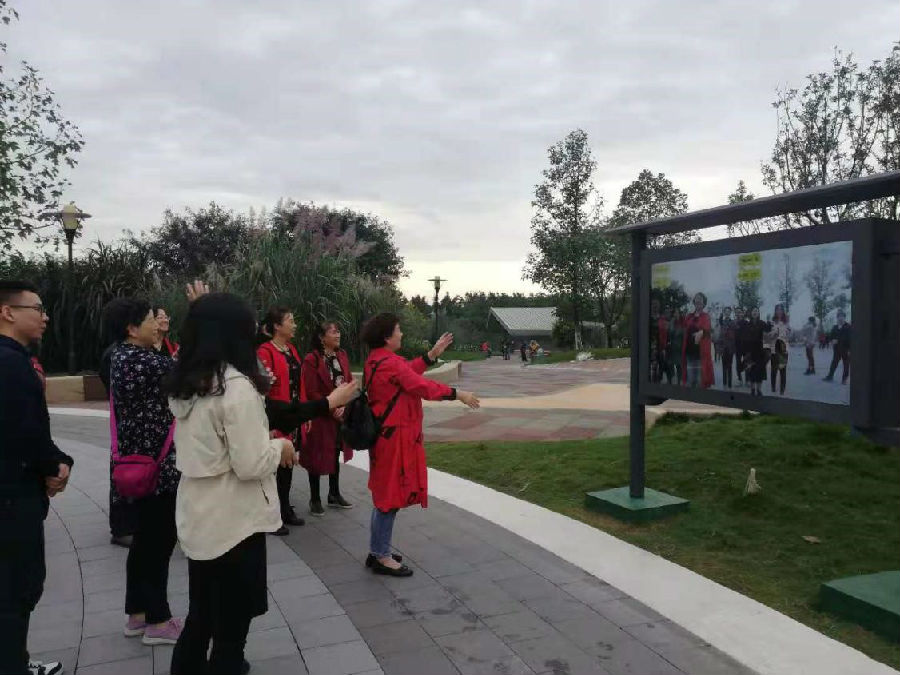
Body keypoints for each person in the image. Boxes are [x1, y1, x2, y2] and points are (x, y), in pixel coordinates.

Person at [166, 293, 356, 675]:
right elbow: (251, 464)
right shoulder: (235, 387)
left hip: (198, 511)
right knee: (232, 623)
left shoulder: (189, 382)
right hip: (234, 519)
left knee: (201, 614)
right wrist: (280, 446)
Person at [110, 292, 201, 646]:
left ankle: (137, 615)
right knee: (158, 545)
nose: (158, 324)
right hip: (157, 470)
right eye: (151, 319)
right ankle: (158, 621)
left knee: (144, 543)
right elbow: (187, 369)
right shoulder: (143, 360)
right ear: (132, 329)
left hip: (138, 465)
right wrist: (197, 314)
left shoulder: (122, 356)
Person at [361, 314, 480, 576]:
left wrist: (432, 355)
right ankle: (381, 556)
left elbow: (408, 372)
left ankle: (377, 549)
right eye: (398, 330)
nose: (401, 334)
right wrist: (457, 394)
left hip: (385, 437)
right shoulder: (390, 363)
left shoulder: (376, 360)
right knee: (389, 498)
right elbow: (420, 385)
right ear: (387, 337)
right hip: (394, 440)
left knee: (384, 494)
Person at [0, 280, 72, 675]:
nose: (45, 317)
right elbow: (23, 431)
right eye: (37, 308)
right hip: (13, 497)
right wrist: (54, 467)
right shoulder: (12, 364)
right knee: (17, 588)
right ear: (8, 312)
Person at [256, 307, 306, 534]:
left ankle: (285, 508)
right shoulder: (265, 351)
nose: (294, 325)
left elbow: (300, 382)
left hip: (292, 414)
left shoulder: (291, 350)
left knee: (287, 462)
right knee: (272, 465)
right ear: (277, 326)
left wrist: (303, 412)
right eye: (290, 320)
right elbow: (263, 388)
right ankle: (270, 515)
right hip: (275, 415)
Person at [301, 321, 355, 516]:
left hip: (339, 415)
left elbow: (348, 382)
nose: (337, 334)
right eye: (333, 332)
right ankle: (315, 498)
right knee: (316, 455)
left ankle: (334, 494)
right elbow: (311, 390)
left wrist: (345, 406)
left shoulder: (342, 356)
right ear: (321, 337)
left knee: (335, 452)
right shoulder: (312, 360)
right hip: (320, 415)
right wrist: (332, 408)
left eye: (338, 331)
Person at [681, 292, 714, 388]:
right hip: (690, 352)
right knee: (690, 380)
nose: (698, 300)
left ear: (704, 303)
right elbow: (684, 330)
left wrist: (702, 332)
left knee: (700, 381)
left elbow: (708, 331)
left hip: (701, 353)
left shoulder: (706, 316)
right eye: (696, 298)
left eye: (700, 299)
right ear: (694, 301)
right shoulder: (689, 316)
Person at [741, 307, 772, 396]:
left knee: (760, 370)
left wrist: (768, 321)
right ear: (751, 313)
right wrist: (745, 351)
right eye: (753, 311)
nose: (755, 312)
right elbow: (744, 337)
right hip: (750, 351)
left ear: (758, 313)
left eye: (756, 311)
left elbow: (768, 330)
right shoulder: (748, 324)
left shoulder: (762, 323)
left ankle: (759, 389)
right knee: (751, 370)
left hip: (760, 350)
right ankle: (752, 389)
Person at [765, 304, 791, 395]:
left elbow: (789, 335)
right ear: (775, 311)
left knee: (782, 369)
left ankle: (782, 389)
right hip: (774, 347)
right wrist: (773, 333)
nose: (779, 311)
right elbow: (767, 336)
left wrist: (787, 329)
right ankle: (773, 387)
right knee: (774, 369)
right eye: (777, 310)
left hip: (783, 347)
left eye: (781, 310)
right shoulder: (772, 322)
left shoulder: (786, 322)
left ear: (783, 311)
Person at [823, 310, 851, 384]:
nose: (840, 318)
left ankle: (844, 379)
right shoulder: (835, 327)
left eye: (842, 316)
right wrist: (832, 340)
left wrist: (850, 350)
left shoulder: (848, 327)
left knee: (846, 364)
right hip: (836, 349)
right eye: (839, 317)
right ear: (837, 318)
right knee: (834, 363)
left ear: (844, 318)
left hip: (846, 349)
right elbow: (831, 336)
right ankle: (830, 376)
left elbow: (850, 338)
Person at [718, 307, 736, 388]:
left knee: (730, 365)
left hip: (730, 347)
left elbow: (735, 334)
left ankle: (729, 383)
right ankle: (724, 382)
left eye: (729, 311)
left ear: (730, 313)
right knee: (724, 365)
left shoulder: (733, 322)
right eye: (726, 311)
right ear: (724, 313)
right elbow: (720, 335)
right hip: (723, 347)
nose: (727, 313)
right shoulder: (722, 322)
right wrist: (719, 348)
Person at [665, 308, 684, 385]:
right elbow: (668, 334)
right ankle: (670, 380)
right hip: (672, 347)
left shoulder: (682, 322)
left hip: (679, 347)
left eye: (677, 313)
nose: (675, 314)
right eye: (674, 313)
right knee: (670, 364)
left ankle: (679, 381)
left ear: (679, 314)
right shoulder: (671, 322)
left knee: (679, 365)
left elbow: (684, 335)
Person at [733, 307, 748, 387]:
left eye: (740, 312)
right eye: (737, 312)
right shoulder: (734, 323)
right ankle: (740, 380)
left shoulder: (746, 322)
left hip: (745, 347)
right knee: (738, 363)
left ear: (743, 313)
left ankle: (747, 380)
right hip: (737, 347)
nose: (738, 314)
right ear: (735, 314)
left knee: (746, 363)